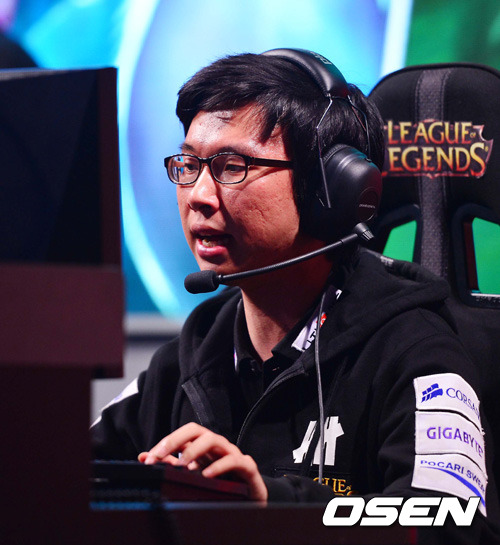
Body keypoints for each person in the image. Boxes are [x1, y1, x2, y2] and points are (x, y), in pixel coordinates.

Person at [92, 49, 500, 543]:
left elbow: (453, 526)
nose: (198, 195)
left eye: (231, 166)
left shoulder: (415, 351)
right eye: (189, 164)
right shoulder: (190, 358)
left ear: (327, 189)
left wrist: (274, 506)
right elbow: (66, 479)